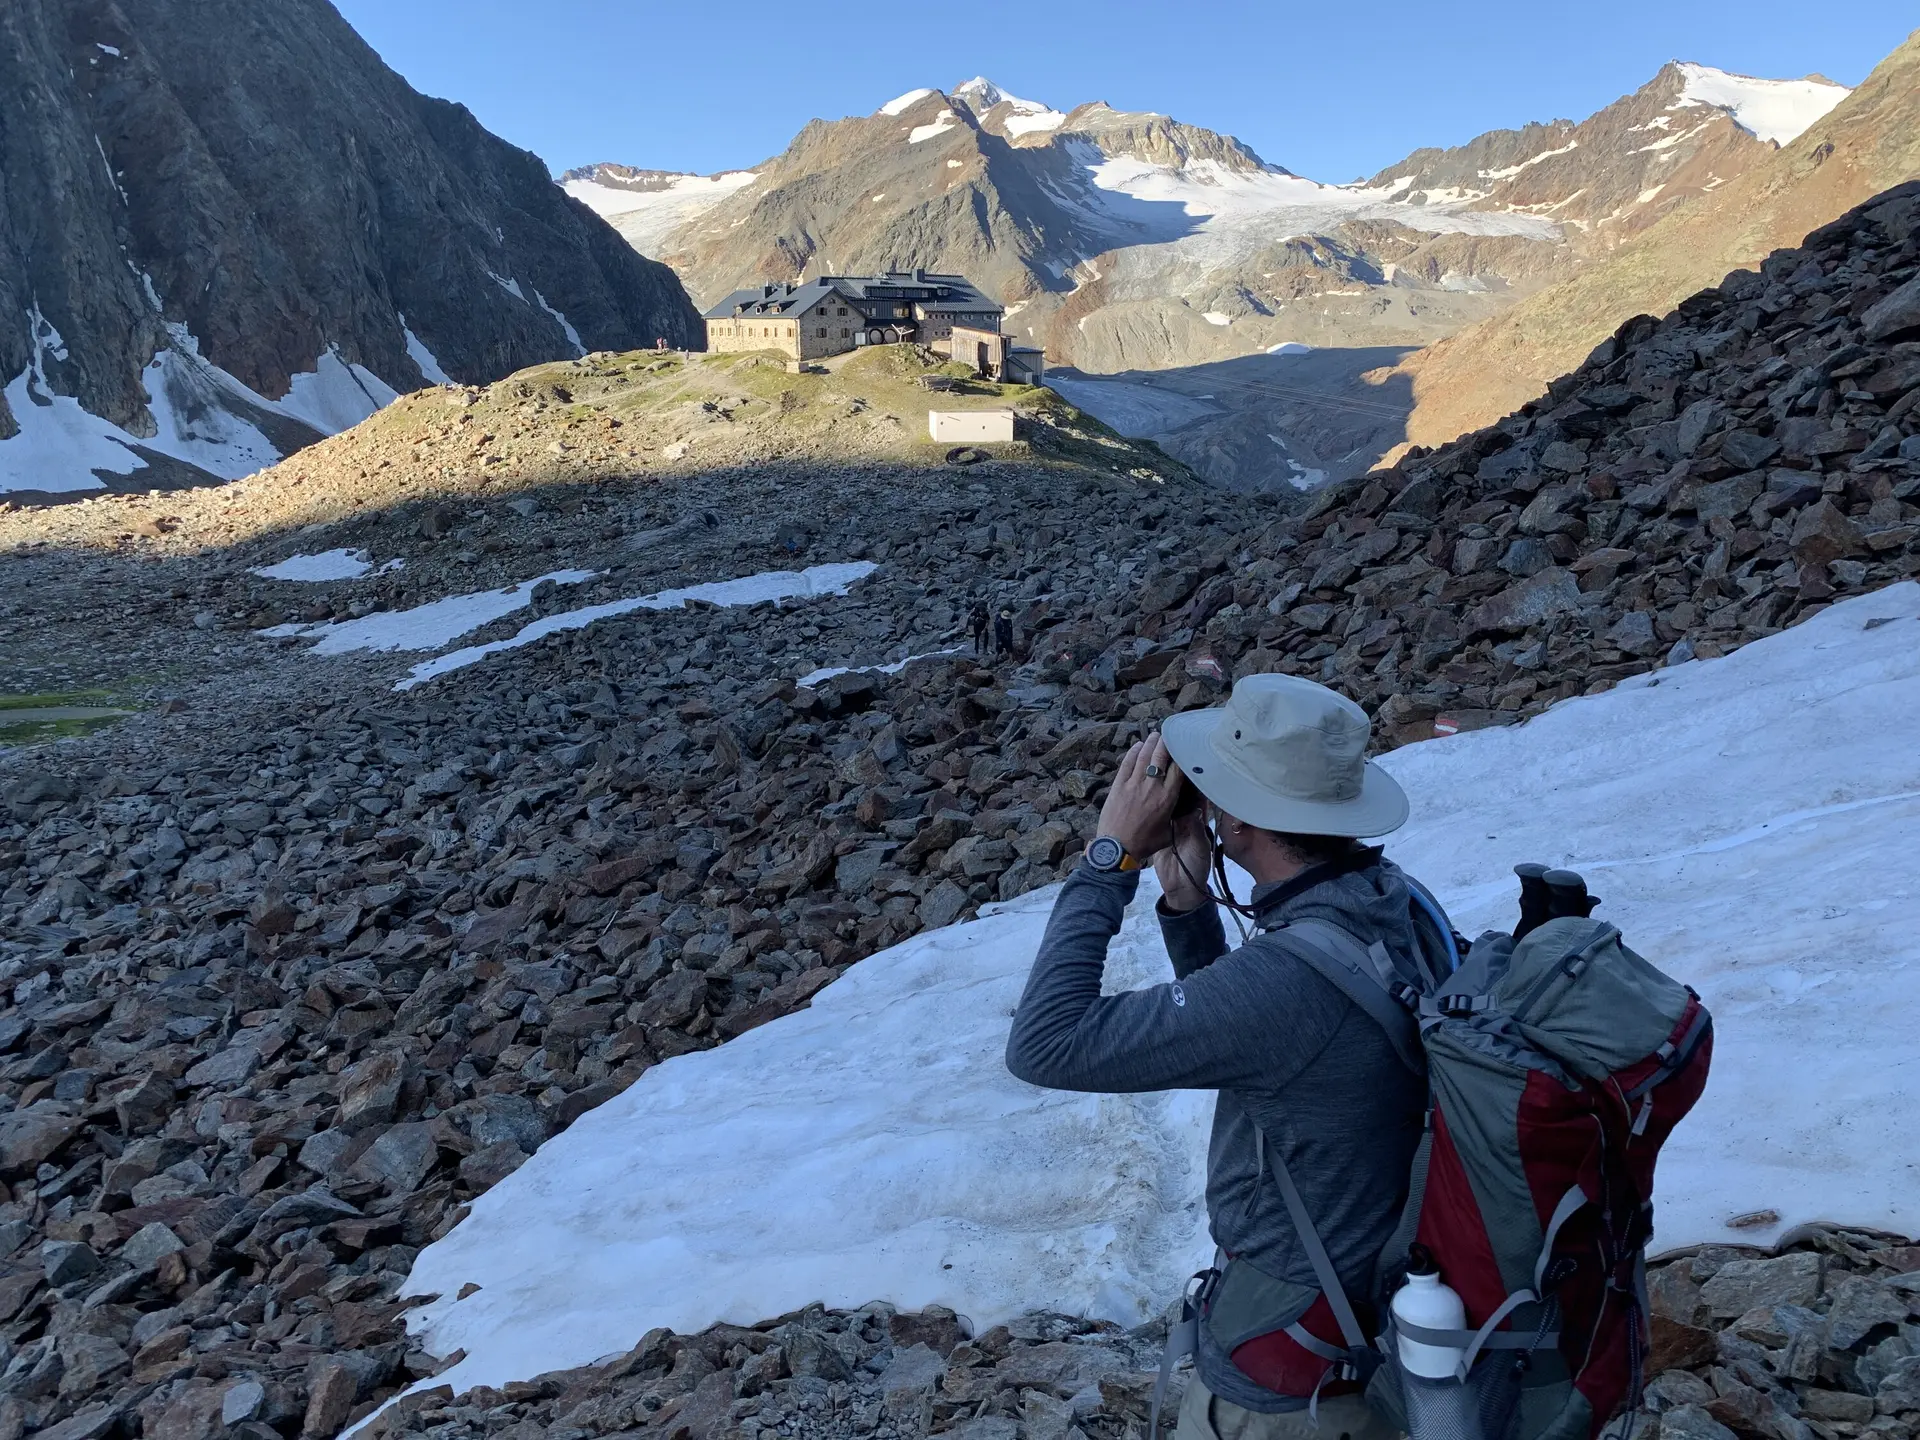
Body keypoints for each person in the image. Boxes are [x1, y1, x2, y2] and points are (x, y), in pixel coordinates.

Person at [1006, 674, 1439, 1440]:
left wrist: (1109, 860)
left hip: (1287, 1385)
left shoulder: (1288, 981)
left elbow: (1045, 1044)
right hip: (1372, 1323)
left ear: (1238, 821)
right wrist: (1187, 905)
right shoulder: (1395, 903)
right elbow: (1270, 1045)